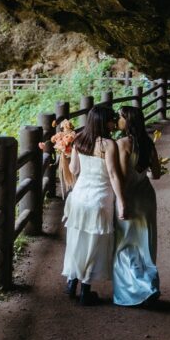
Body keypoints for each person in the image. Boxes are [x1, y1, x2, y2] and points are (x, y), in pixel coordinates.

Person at [59, 105, 126, 305]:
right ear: (103, 122)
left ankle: (71, 283)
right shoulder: (108, 144)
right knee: (94, 245)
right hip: (99, 199)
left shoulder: (79, 140)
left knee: (76, 241)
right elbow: (113, 175)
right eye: (111, 120)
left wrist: (66, 152)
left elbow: (74, 168)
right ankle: (86, 290)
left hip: (79, 198)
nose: (114, 123)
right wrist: (122, 203)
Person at [112, 106, 162, 306]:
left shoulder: (122, 144)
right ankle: (150, 285)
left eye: (120, 117)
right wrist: (144, 174)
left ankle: (136, 291)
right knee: (145, 244)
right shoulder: (148, 143)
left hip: (129, 196)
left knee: (124, 244)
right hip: (147, 197)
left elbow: (122, 177)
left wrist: (120, 201)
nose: (117, 120)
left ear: (128, 121)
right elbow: (156, 174)